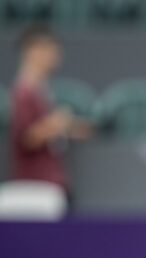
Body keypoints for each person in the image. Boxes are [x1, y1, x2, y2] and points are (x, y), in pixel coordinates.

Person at [8, 26, 90, 206]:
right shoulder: (23, 92)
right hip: (35, 186)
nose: (55, 57)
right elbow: (28, 137)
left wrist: (69, 127)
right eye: (50, 50)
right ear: (33, 51)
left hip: (51, 182)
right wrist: (57, 123)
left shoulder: (39, 90)